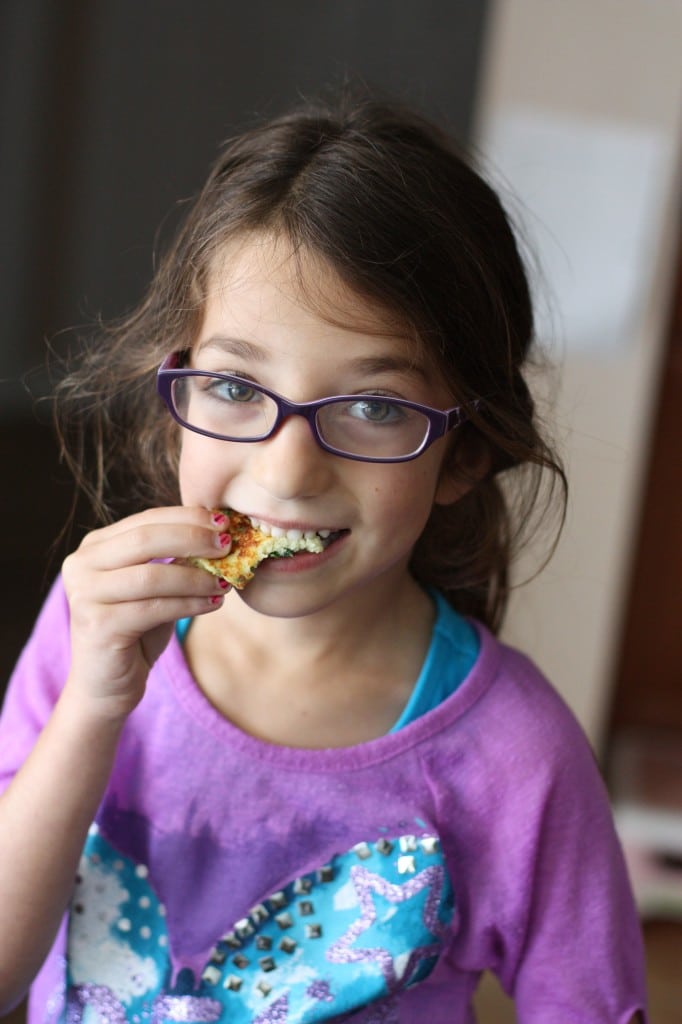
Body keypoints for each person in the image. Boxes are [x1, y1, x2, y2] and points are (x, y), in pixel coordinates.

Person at [0, 93, 648, 1023]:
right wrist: (93, 710)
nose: (288, 470)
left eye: (375, 407)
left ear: (463, 453)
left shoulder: (520, 760)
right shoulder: (90, 630)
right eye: (232, 386)